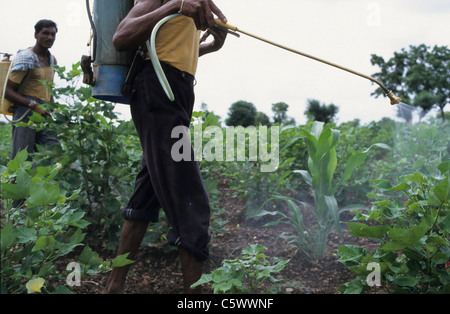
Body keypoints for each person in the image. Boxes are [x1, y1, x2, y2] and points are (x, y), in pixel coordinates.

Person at [102, 0, 228, 294]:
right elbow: (121, 37)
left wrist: (210, 45)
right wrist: (174, 5)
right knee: (190, 198)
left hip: (177, 90)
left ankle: (113, 287)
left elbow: (172, 50)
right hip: (159, 89)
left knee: (147, 192)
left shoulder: (191, 7)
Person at [5, 19, 59, 161]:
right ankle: (16, 183)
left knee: (55, 154)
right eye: (45, 33)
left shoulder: (52, 60)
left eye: (53, 34)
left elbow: (49, 88)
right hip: (25, 111)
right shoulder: (26, 58)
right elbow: (8, 91)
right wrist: (33, 105)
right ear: (36, 35)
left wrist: (55, 111)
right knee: (21, 159)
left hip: (44, 111)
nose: (49, 37)